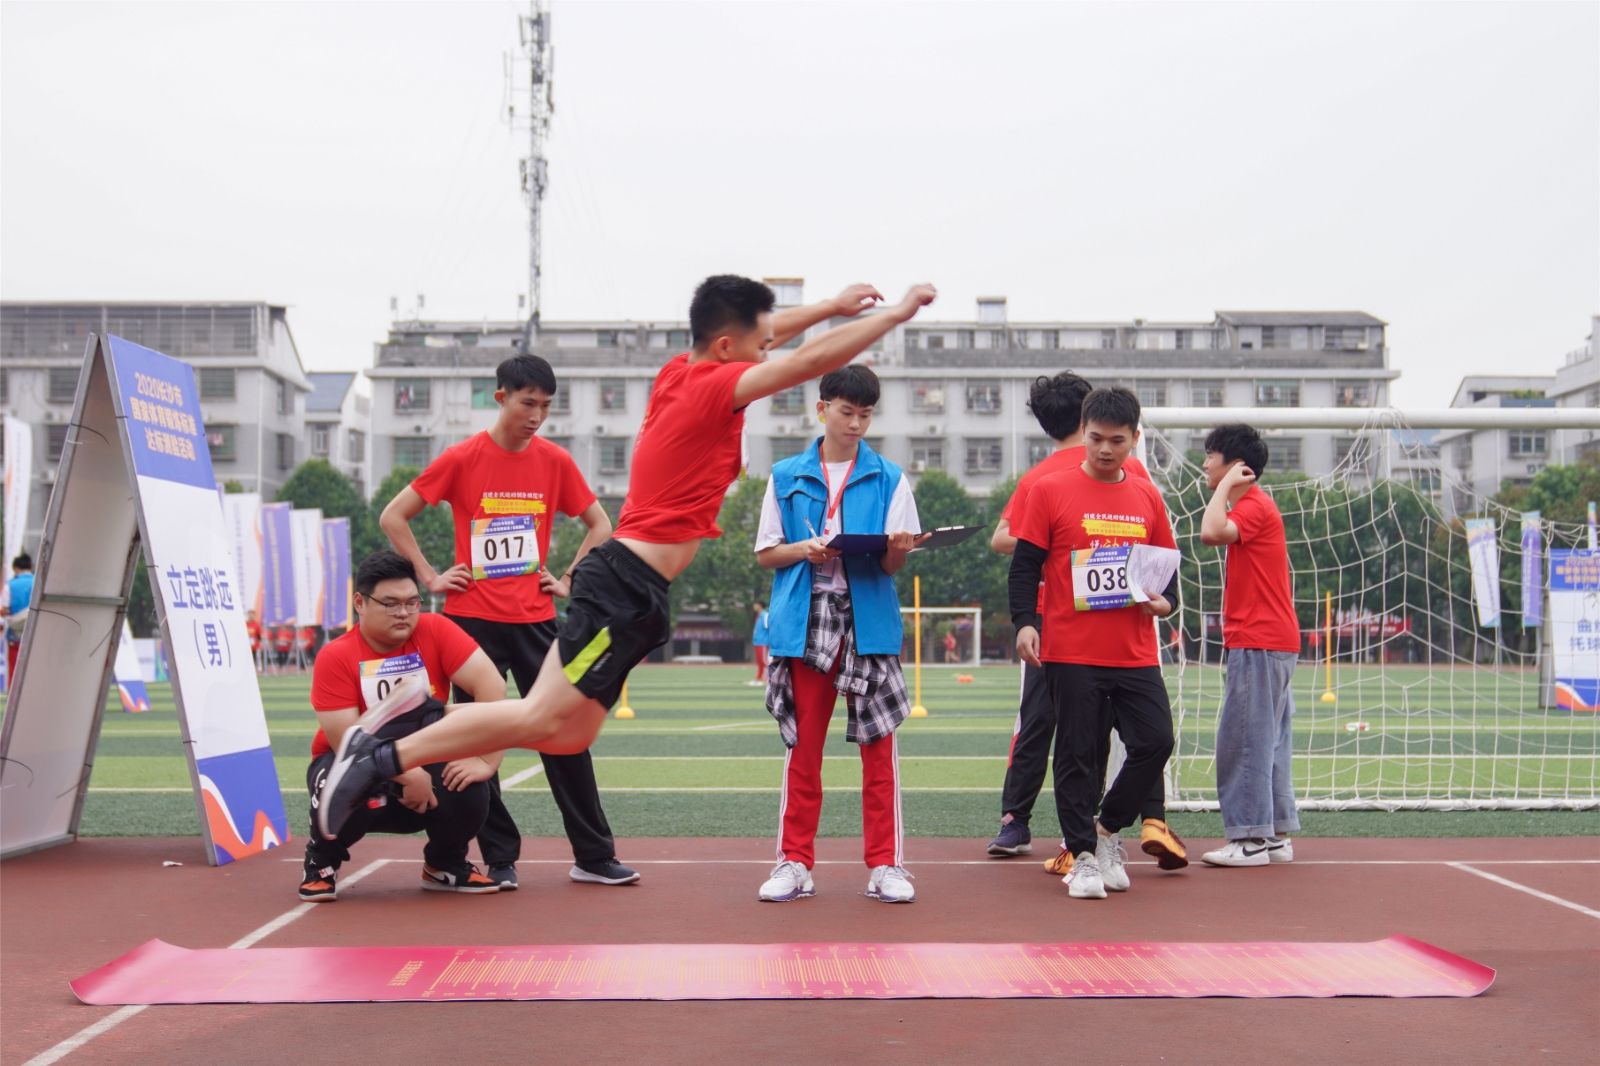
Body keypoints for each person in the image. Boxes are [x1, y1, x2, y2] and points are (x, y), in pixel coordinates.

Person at [317, 277, 939, 843]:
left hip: (637, 594)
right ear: (727, 348)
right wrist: (899, 314)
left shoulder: (680, 369)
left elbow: (777, 337)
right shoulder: (709, 388)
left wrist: (831, 306)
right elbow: (809, 362)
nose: (766, 355)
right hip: (622, 583)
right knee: (540, 716)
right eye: (760, 346)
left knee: (568, 732)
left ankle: (411, 728)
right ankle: (380, 754)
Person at [379, 353, 633, 890]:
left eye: (545, 405)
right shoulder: (462, 458)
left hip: (537, 621)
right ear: (501, 398)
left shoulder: (555, 461)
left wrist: (567, 578)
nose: (537, 415)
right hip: (470, 623)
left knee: (564, 735)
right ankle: (500, 857)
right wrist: (429, 575)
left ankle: (593, 855)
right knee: (475, 740)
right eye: (527, 403)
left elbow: (601, 524)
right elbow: (393, 515)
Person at [984, 373, 1185, 876]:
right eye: (1096, 438)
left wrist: (1166, 605)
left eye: (1117, 440)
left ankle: (1107, 828)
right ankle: (1083, 858)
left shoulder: (1145, 493)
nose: (1104, 449)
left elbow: (1166, 567)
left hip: (1133, 648)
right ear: (1083, 430)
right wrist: (1026, 622)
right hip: (1068, 645)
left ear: (1134, 439)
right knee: (1076, 753)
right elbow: (1022, 561)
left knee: (1156, 739)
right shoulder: (1048, 487)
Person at [754, 365, 926, 904]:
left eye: (866, 415)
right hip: (805, 621)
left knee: (879, 748)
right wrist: (807, 549)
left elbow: (896, 563)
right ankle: (794, 861)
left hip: (867, 620)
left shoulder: (889, 477)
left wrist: (898, 547)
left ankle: (886, 865)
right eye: (847, 412)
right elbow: (766, 554)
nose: (856, 423)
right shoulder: (785, 476)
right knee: (803, 749)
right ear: (821, 407)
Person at [299, 551, 509, 901]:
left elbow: (492, 686)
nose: (404, 613)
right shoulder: (336, 656)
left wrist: (487, 760)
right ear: (360, 603)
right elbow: (347, 738)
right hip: (356, 765)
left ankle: (445, 863)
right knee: (336, 783)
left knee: (468, 785)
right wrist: (408, 774)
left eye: (413, 602)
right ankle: (321, 862)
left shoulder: (436, 630)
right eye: (391, 603)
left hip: (426, 756)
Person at [1197, 423, 1301, 867]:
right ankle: (1273, 835)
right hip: (1272, 640)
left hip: (1259, 640)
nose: (1204, 463)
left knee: (1243, 741)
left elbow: (1210, 531)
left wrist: (1225, 488)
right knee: (1268, 742)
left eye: (1211, 455)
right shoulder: (1257, 508)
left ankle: (1251, 840)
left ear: (1236, 466)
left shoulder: (1254, 505)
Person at [2, 553, 34, 683]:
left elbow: (4, 609)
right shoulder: (40, 582)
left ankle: (14, 700)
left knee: (15, 669)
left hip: (15, 635)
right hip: (35, 633)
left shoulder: (10, 585)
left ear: (15, 568)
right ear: (30, 567)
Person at [749, 601, 771, 686]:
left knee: (764, 661)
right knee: (759, 662)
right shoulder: (758, 616)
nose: (754, 606)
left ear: (760, 605)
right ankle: (758, 678)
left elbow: (769, 627)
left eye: (756, 604)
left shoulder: (765, 615)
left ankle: (768, 678)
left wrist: (768, 641)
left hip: (763, 642)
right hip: (757, 642)